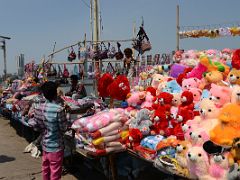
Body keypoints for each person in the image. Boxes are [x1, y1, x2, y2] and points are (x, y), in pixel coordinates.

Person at [31, 81, 68, 180]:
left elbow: (36, 126)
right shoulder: (58, 109)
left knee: (46, 171)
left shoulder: (38, 108)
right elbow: (64, 128)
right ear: (55, 93)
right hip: (56, 146)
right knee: (55, 174)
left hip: (45, 145)